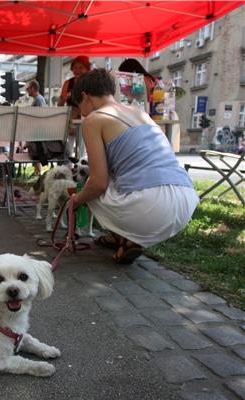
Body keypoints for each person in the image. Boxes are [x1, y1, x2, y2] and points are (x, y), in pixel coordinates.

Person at [70, 69, 199, 264]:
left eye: (79, 107)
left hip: (151, 209)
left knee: (91, 186)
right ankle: (119, 239)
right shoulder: (140, 112)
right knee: (117, 175)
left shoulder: (93, 120)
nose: (81, 113)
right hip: (185, 200)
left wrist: (76, 201)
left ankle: (129, 234)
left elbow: (98, 183)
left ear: (84, 96)